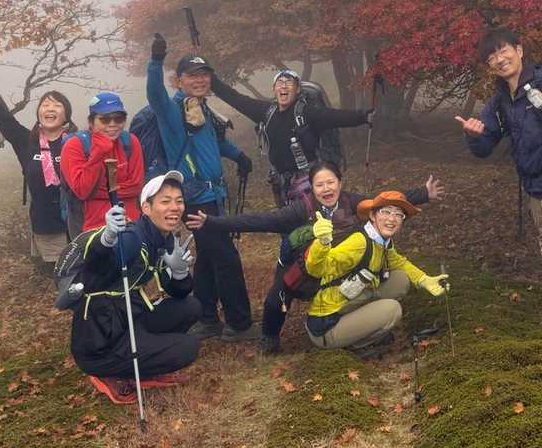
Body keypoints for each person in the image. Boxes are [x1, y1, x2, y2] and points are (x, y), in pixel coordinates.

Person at [190, 161, 444, 354]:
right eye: (320, 184)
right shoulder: (301, 209)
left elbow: (386, 203)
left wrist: (423, 194)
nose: (326, 189)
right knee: (276, 300)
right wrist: (212, 222)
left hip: (335, 266)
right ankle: (270, 337)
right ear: (312, 188)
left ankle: (358, 325)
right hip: (299, 264)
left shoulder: (352, 203)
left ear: (340, 183)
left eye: (331, 182)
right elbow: (261, 220)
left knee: (367, 282)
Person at [456, 27, 542, 341]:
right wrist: (473, 135)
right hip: (534, 185)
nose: (499, 59)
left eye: (503, 50)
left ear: (519, 50)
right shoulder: (501, 100)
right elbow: (485, 147)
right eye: (491, 57)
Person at [147, 34, 256, 342]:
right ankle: (239, 325)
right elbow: (154, 95)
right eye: (192, 75)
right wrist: (155, 61)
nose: (199, 80)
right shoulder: (172, 111)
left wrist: (239, 155)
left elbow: (213, 143)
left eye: (204, 74)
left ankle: (206, 318)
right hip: (195, 197)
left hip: (213, 194)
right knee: (227, 258)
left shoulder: (200, 109)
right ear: (179, 80)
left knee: (208, 257)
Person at [70, 170, 202, 404]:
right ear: (146, 208)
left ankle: (143, 365)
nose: (175, 207)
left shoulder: (165, 239)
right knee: (188, 347)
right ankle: (109, 373)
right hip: (100, 339)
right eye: (165, 201)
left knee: (190, 307)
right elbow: (95, 267)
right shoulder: (132, 237)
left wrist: (180, 272)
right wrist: (107, 237)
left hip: (130, 318)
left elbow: (177, 292)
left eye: (179, 201)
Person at [0, 62, 77, 262]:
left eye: (57, 105)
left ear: (66, 114)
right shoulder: (26, 141)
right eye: (45, 105)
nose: (50, 108)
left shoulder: (78, 142)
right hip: (48, 229)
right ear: (39, 113)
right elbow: (1, 116)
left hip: (82, 223)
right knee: (62, 277)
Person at [303, 190, 448, 355]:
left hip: (347, 304)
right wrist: (322, 243)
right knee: (392, 310)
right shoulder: (359, 243)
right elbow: (317, 269)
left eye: (398, 214)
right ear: (372, 215)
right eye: (386, 212)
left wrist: (424, 279)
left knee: (400, 279)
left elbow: (398, 262)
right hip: (326, 326)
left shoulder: (382, 242)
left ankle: (366, 324)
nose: (392, 219)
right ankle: (356, 344)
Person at [208, 67, 372, 206]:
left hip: (307, 181)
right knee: (289, 225)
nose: (284, 86)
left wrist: (363, 116)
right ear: (274, 89)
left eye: (289, 83)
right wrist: (210, 79)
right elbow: (236, 99)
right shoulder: (266, 112)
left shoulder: (307, 112)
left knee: (310, 224)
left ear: (298, 90)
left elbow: (334, 116)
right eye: (279, 83)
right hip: (280, 183)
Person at [60, 92, 145, 232]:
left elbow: (136, 186)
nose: (112, 124)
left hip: (130, 225)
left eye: (119, 119)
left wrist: (96, 192)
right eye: (105, 119)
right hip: (91, 230)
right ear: (91, 122)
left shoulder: (130, 142)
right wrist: (98, 153)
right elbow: (82, 190)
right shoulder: (74, 145)